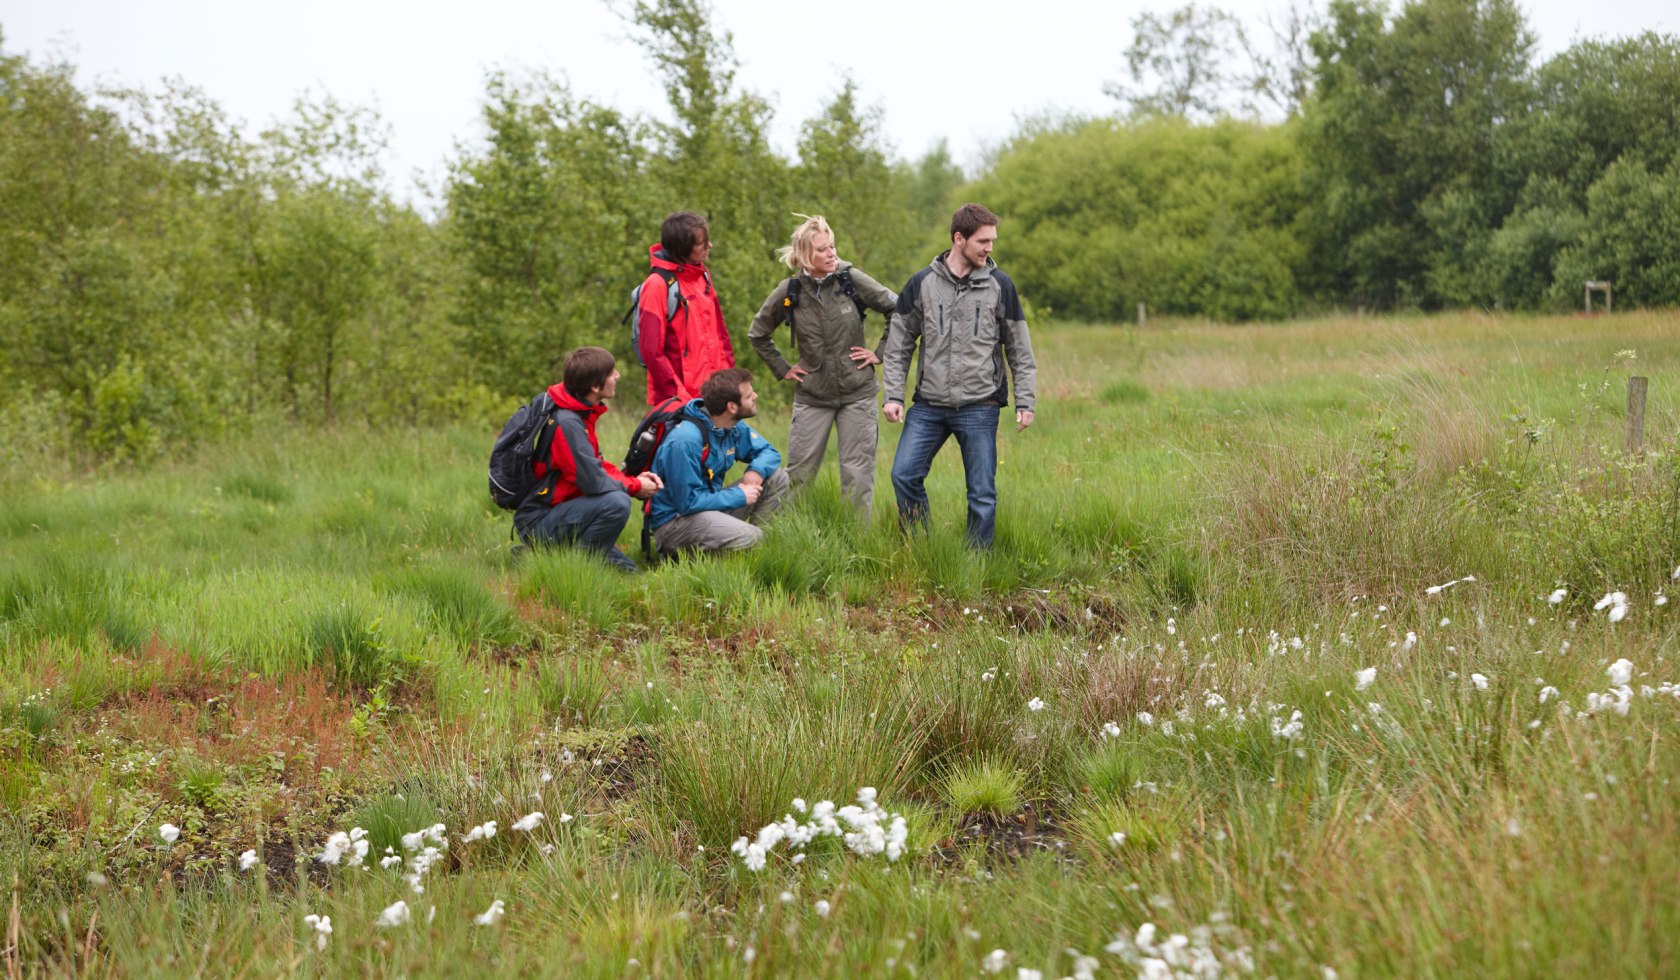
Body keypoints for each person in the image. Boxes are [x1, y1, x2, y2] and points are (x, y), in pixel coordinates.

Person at [881, 203, 1037, 549]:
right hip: (929, 406)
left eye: (992, 240)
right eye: (983, 241)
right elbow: (898, 345)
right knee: (903, 474)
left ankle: (975, 563)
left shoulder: (1001, 286)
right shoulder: (921, 284)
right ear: (958, 238)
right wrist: (892, 395)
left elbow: (1020, 351)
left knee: (981, 494)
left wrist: (1026, 400)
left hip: (979, 406)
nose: (990, 248)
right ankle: (920, 548)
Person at [748, 214, 897, 518]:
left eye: (832, 247)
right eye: (822, 249)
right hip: (813, 395)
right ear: (805, 255)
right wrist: (783, 368)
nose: (831, 254)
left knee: (857, 475)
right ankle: (787, 539)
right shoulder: (790, 291)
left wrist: (879, 352)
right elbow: (758, 333)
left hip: (858, 392)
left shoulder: (851, 279)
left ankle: (857, 546)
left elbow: (899, 309)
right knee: (799, 476)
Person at [514, 347, 662, 571]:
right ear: (595, 386)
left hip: (564, 511)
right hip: (539, 520)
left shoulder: (579, 414)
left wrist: (633, 479)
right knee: (617, 503)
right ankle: (571, 569)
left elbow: (596, 466)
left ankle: (543, 555)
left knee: (632, 576)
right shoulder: (568, 423)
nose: (618, 376)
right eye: (611, 372)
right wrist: (635, 486)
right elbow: (593, 482)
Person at [646, 367, 791, 556]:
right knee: (751, 536)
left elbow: (768, 452)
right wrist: (739, 495)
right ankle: (709, 561)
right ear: (732, 407)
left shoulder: (731, 425)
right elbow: (687, 503)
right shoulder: (685, 440)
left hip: (707, 508)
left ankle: (763, 552)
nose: (755, 396)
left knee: (776, 477)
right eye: (748, 396)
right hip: (675, 525)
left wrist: (756, 470)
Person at [636, 210, 735, 405]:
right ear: (682, 248)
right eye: (702, 244)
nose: (710, 246)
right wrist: (679, 398)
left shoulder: (703, 275)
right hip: (680, 402)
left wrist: (730, 381)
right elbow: (651, 352)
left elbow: (720, 335)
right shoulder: (657, 284)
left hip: (716, 395)